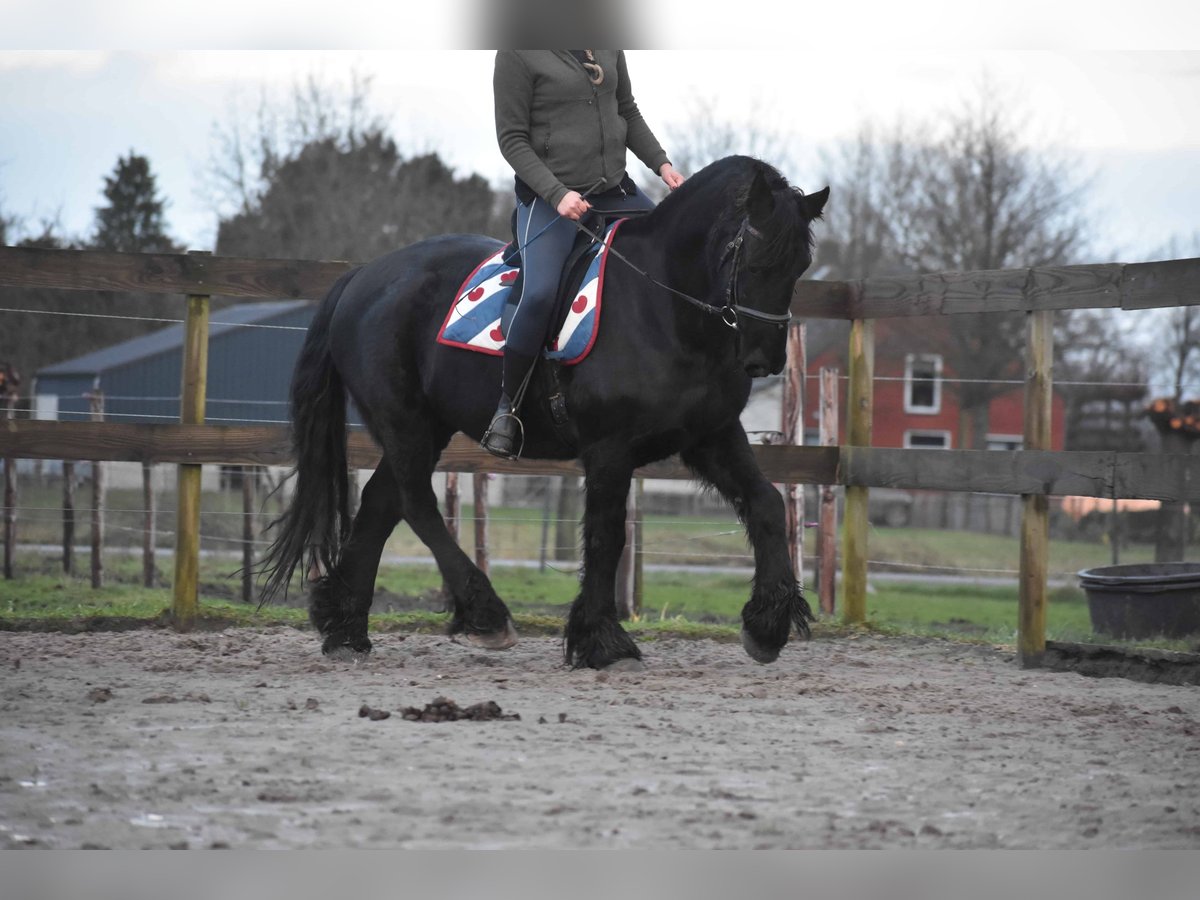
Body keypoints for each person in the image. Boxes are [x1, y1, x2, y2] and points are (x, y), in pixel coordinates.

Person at [484, 50, 685, 459]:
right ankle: (509, 408)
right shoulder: (518, 53)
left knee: (675, 258)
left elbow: (625, 109)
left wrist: (661, 164)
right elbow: (512, 139)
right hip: (547, 201)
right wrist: (557, 194)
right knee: (539, 293)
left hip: (615, 191)